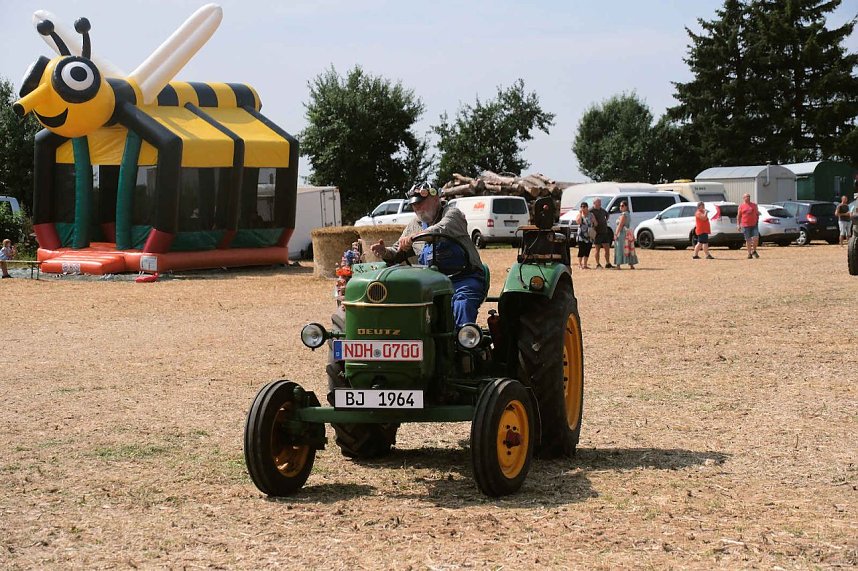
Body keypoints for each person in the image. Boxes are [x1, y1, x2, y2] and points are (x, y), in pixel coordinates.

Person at [371, 182, 484, 326]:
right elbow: (397, 250)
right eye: (414, 204)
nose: (417, 207)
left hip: (464, 279)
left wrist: (414, 237)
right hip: (431, 282)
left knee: (462, 303)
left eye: (421, 203)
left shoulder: (453, 214)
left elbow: (441, 229)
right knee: (409, 306)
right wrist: (385, 252)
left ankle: (463, 342)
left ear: (436, 199)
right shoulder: (415, 224)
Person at [613, 201, 638, 269]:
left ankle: (618, 265)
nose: (620, 207)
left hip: (622, 234)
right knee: (629, 248)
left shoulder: (624, 215)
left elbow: (620, 225)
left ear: (626, 207)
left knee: (620, 248)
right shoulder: (627, 214)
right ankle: (631, 264)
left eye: (622, 205)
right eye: (620, 206)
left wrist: (616, 234)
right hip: (627, 233)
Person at [590, 198, 613, 268]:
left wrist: (605, 220)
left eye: (600, 203)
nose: (600, 204)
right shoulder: (591, 210)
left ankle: (608, 263)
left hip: (604, 232)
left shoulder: (602, 210)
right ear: (594, 203)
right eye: (598, 203)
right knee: (597, 249)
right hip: (597, 233)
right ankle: (598, 264)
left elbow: (607, 214)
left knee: (607, 248)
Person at [737, 193, 760, 259]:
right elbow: (739, 216)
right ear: (743, 198)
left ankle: (754, 250)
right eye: (746, 197)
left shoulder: (754, 205)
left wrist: (757, 220)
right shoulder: (741, 206)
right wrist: (738, 225)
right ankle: (749, 253)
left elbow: (757, 213)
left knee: (756, 238)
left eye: (749, 196)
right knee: (748, 240)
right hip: (745, 225)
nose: (748, 198)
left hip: (754, 224)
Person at [575, 202, 596, 270]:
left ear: (587, 207)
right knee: (581, 249)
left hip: (589, 235)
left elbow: (595, 223)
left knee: (587, 249)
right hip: (581, 235)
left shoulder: (591, 215)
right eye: (582, 207)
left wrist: (594, 221)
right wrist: (581, 214)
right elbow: (578, 222)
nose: (583, 208)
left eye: (584, 207)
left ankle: (585, 264)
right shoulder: (579, 215)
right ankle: (580, 264)